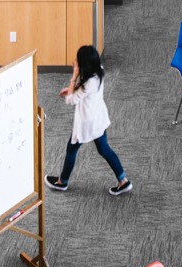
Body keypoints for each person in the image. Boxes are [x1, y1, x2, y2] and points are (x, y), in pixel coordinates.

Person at [44, 45, 132, 196]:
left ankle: (62, 182)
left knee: (71, 150)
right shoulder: (100, 71)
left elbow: (70, 101)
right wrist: (74, 88)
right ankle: (123, 180)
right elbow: (82, 89)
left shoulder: (89, 83)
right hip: (98, 118)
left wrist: (74, 76)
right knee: (104, 149)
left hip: (87, 124)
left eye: (78, 61)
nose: (75, 62)